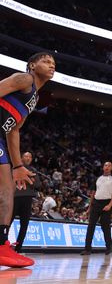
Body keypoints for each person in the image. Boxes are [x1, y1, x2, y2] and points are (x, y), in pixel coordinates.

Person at [0, 52, 55, 268]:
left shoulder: (35, 98)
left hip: (1, 138)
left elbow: (13, 130)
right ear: (32, 65)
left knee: (6, 190)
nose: (51, 65)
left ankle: (2, 245)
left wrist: (18, 165)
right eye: (46, 61)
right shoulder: (24, 79)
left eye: (54, 63)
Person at [81, 161, 112, 255]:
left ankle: (109, 244)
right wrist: (89, 207)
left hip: (106, 203)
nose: (107, 167)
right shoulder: (98, 178)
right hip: (96, 203)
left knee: (105, 226)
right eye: (105, 165)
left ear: (111, 168)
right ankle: (87, 249)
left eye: (109, 165)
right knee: (91, 225)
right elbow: (93, 193)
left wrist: (110, 205)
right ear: (103, 167)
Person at [12, 152, 41, 253]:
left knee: (24, 225)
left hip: (27, 199)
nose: (28, 158)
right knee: (7, 223)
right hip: (14, 198)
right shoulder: (15, 168)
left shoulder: (33, 170)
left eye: (30, 156)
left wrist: (31, 180)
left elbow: (38, 185)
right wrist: (30, 180)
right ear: (21, 158)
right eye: (26, 156)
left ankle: (17, 250)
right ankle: (3, 246)